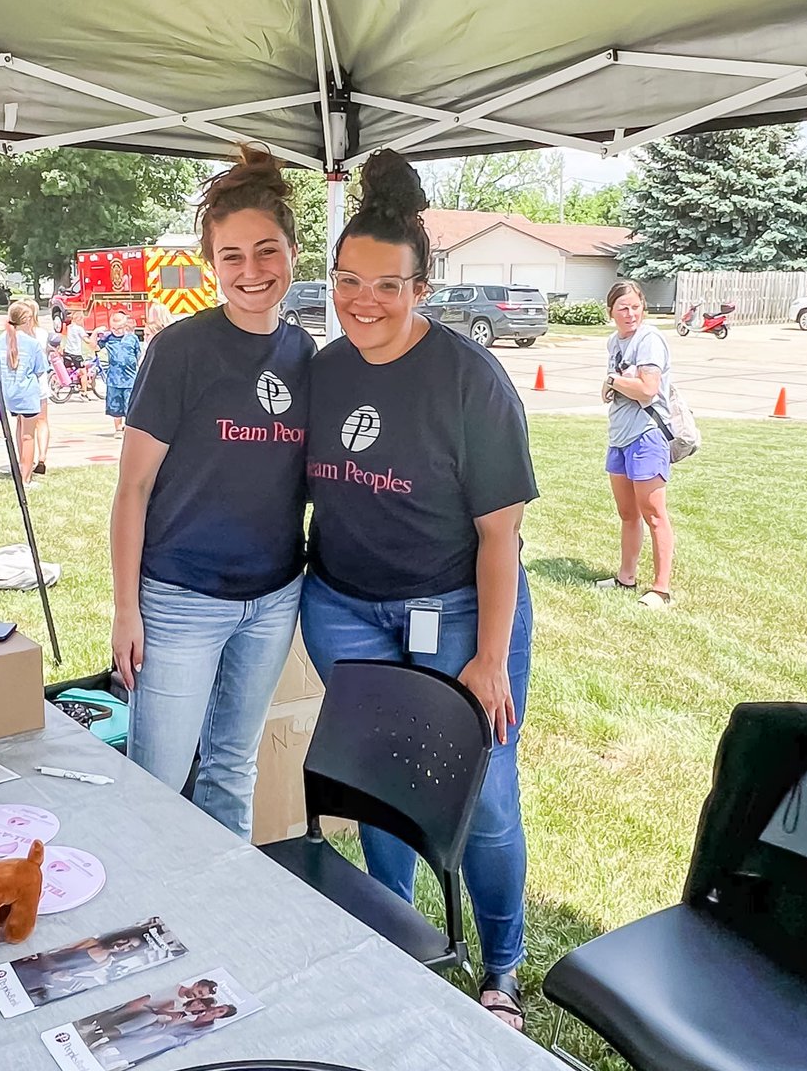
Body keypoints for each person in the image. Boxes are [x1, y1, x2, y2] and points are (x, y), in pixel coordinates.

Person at [301, 150, 538, 1030]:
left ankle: (502, 967)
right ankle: (393, 936)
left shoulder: (470, 379)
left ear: (421, 288)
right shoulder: (326, 370)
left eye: (386, 286)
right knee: (379, 782)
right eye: (347, 281)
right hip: (344, 607)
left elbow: (500, 535)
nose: (363, 301)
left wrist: (489, 657)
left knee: (484, 793)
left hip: (462, 608)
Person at [110, 145, 315, 840]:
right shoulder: (180, 350)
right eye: (232, 256)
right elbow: (133, 488)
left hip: (273, 598)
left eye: (266, 251)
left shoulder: (304, 353)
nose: (251, 271)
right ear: (212, 265)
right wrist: (126, 609)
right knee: (157, 782)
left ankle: (227, 896)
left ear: (293, 252)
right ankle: (149, 896)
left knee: (232, 767)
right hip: (180, 601)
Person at [597, 280, 675, 607]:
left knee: (653, 513)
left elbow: (647, 389)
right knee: (627, 513)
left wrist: (613, 381)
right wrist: (613, 384)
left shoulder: (649, 340)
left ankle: (661, 589)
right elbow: (615, 389)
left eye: (635, 307)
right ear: (611, 312)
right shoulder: (614, 342)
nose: (630, 314)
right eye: (623, 308)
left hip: (647, 434)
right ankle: (625, 578)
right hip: (620, 436)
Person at [0, 300, 49, 485]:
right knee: (28, 436)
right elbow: (40, 369)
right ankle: (26, 478)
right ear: (27, 319)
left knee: (19, 430)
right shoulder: (32, 343)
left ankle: (19, 468)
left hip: (9, 394)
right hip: (27, 394)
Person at [98, 313, 141, 436]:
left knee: (130, 404)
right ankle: (118, 428)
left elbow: (138, 354)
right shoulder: (108, 339)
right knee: (115, 405)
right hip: (114, 378)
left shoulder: (132, 338)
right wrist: (95, 332)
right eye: (114, 328)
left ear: (125, 326)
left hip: (130, 378)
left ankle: (128, 428)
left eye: (120, 328)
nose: (116, 331)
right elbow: (94, 346)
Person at [27, 302, 52, 475]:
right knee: (42, 420)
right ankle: (42, 457)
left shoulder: (19, 335)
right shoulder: (43, 334)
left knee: (24, 424)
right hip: (41, 381)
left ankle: (26, 459)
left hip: (26, 382)